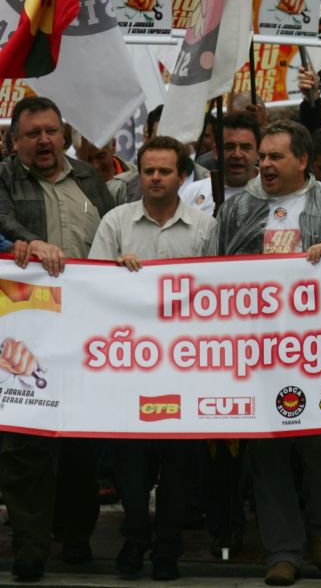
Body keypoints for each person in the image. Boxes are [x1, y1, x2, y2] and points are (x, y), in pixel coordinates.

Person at [218, 121, 321, 586]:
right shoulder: (237, 209)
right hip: (258, 350)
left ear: (302, 161)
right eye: (261, 156)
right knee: (268, 449)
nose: (263, 164)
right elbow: (214, 272)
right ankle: (283, 548)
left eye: (274, 156)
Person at [89, 136, 218, 581]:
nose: (156, 178)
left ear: (183, 177)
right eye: (149, 171)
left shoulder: (205, 226)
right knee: (129, 462)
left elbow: (220, 293)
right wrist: (116, 277)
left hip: (187, 365)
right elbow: (93, 289)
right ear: (138, 174)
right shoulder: (115, 222)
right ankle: (136, 536)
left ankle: (167, 548)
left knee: (180, 464)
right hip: (128, 364)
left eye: (165, 171)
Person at [0, 96, 114, 581]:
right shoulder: (4, 178)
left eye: (51, 131)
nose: (44, 141)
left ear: (64, 134)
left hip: (89, 331)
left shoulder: (90, 179)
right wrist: (23, 242)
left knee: (80, 441)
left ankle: (76, 535)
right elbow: (1, 224)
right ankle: (29, 545)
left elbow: (114, 235)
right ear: (15, 141)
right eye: (32, 134)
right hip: (28, 328)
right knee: (26, 444)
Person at [180, 113, 260, 213]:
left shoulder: (274, 191)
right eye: (229, 147)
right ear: (215, 151)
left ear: (258, 152)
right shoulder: (193, 192)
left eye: (245, 147)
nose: (237, 154)